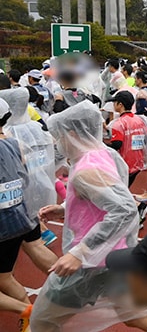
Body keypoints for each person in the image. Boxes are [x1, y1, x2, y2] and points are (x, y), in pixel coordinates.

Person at [31, 101, 147, 332]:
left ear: (73, 134)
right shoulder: (107, 154)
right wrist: (66, 208)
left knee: (42, 321)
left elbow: (123, 209)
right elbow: (108, 197)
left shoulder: (86, 170)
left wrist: (80, 253)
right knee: (133, 314)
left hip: (92, 262)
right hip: (117, 255)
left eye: (59, 136)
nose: (57, 142)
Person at [0, 97, 44, 331]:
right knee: (5, 276)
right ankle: (28, 317)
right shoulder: (15, 143)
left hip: (3, 225)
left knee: (4, 278)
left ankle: (26, 311)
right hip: (19, 215)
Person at [108, 91, 147, 226]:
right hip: (138, 162)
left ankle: (139, 207)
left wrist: (102, 146)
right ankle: (137, 216)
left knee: (117, 192)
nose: (113, 104)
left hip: (124, 165)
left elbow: (117, 144)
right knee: (122, 190)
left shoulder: (118, 124)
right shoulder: (140, 120)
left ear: (120, 104)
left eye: (114, 102)